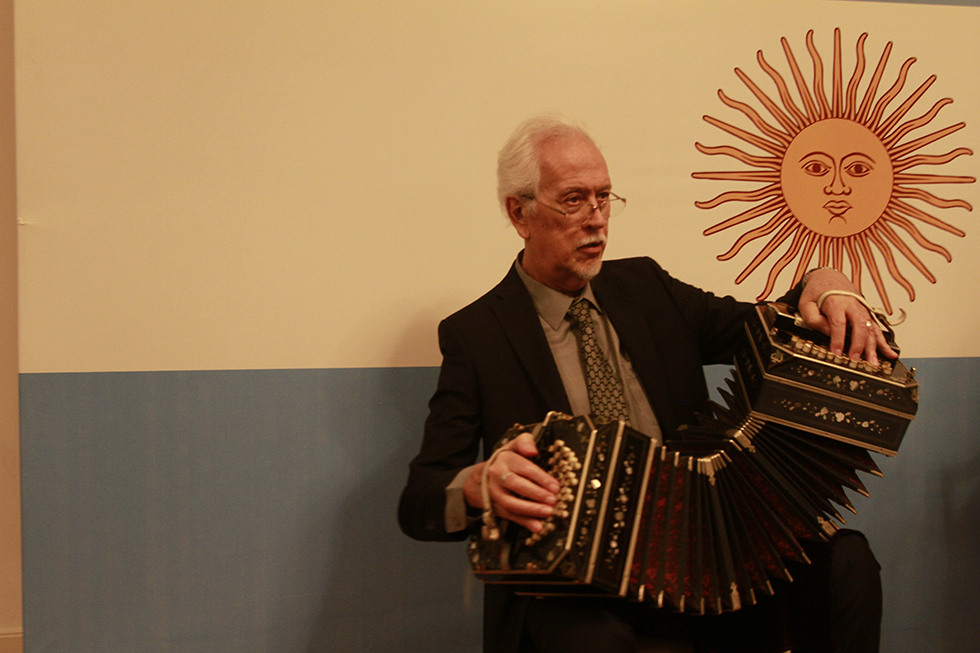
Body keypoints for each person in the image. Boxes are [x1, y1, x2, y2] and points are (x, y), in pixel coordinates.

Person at [398, 114, 891, 653]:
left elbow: (767, 323)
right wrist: (477, 485)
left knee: (847, 560)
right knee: (593, 641)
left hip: (701, 557)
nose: (596, 220)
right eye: (573, 200)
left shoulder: (648, 288)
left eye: (604, 198)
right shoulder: (478, 336)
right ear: (520, 213)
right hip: (577, 585)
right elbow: (420, 501)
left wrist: (828, 282)